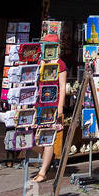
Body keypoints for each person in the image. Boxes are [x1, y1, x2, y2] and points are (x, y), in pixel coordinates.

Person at [32, 56, 67, 184]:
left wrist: (60, 108)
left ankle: (42, 172)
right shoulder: (39, 61)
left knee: (47, 138)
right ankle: (48, 156)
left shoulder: (60, 64)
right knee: (30, 138)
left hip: (52, 106)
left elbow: (62, 87)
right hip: (38, 105)